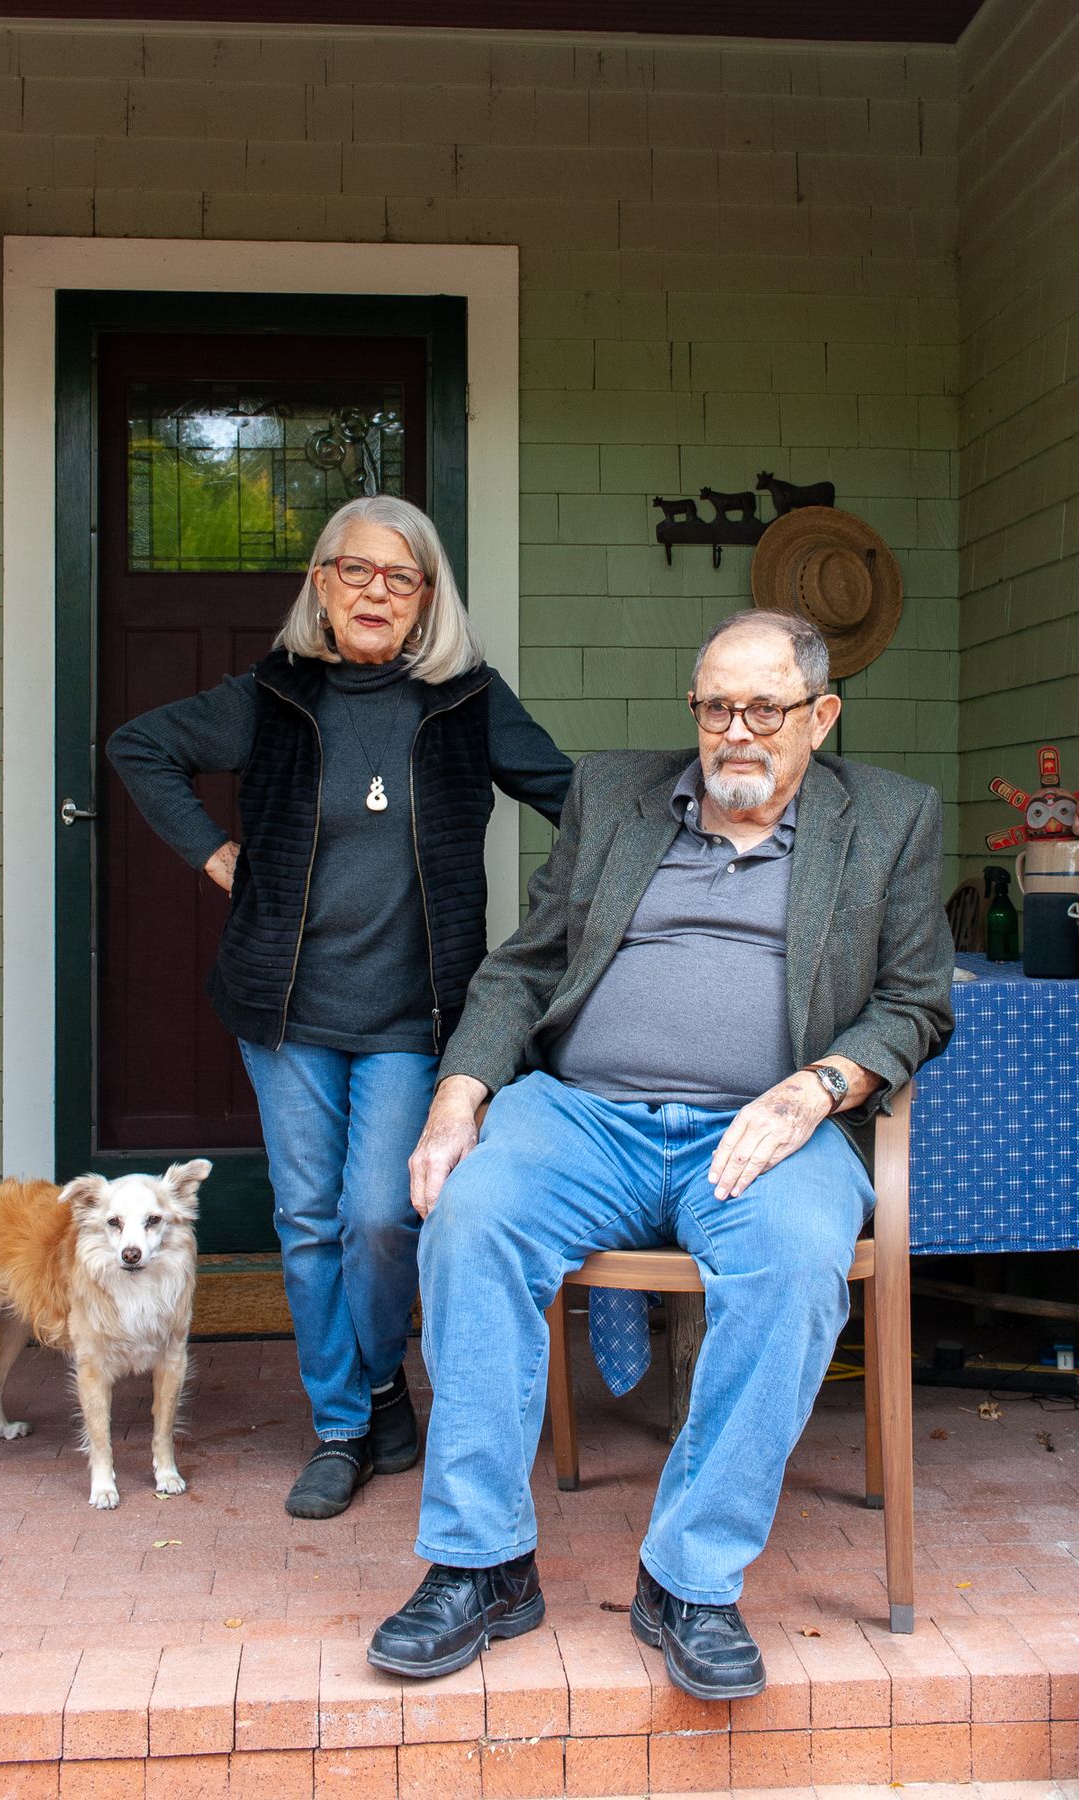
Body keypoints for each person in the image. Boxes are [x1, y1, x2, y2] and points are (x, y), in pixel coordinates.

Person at [367, 608, 954, 1697]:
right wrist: (459, 1096)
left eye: (764, 709)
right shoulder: (616, 796)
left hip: (765, 1128)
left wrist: (824, 1085)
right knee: (473, 1218)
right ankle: (480, 1563)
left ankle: (690, 1579)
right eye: (714, 707)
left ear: (820, 717)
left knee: (790, 1264)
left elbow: (916, 1003)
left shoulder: (890, 819)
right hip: (585, 1117)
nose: (735, 730)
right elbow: (526, 964)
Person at [107, 496, 572, 1520]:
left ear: (425, 600)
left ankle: (370, 1383)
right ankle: (347, 1420)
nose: (375, 593)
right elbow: (139, 746)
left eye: (400, 579)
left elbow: (575, 801)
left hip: (416, 1010)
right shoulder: (271, 698)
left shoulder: (466, 701)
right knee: (308, 1220)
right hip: (284, 1009)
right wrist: (217, 855)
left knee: (377, 1218)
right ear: (320, 585)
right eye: (355, 572)